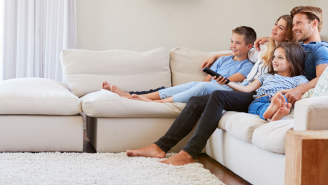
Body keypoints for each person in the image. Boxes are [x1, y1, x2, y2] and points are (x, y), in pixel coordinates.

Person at [125, 13, 298, 165]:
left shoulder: (289, 54)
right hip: (243, 88)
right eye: (276, 23)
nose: (274, 28)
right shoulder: (265, 50)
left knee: (217, 95)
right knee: (194, 101)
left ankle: (189, 153)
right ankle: (160, 147)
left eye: (280, 27)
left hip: (254, 94)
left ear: (288, 35)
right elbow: (240, 52)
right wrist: (215, 56)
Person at [102, 26, 256, 103]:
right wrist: (200, 83)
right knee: (193, 85)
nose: (233, 45)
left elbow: (231, 81)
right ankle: (131, 96)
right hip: (209, 86)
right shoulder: (222, 59)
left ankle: (160, 103)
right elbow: (207, 79)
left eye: (238, 43)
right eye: (231, 41)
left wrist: (206, 84)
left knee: (202, 87)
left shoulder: (248, 66)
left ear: (249, 46)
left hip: (223, 91)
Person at [215, 43, 307, 121]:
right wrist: (227, 82)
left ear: (292, 61)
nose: (274, 60)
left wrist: (281, 92)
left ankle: (273, 113)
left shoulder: (298, 79)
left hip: (279, 99)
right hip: (259, 100)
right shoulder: (266, 76)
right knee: (255, 107)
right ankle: (272, 114)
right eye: (274, 57)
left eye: (280, 57)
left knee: (283, 100)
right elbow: (246, 89)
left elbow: (302, 88)